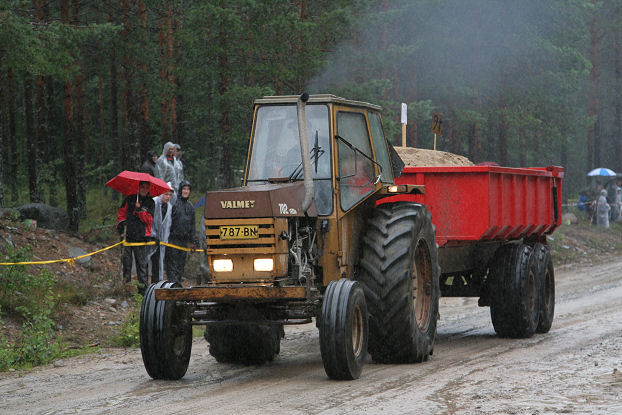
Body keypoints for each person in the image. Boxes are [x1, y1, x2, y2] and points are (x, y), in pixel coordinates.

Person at [117, 181, 155, 293]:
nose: (144, 189)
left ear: (149, 189)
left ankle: (143, 291)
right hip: (127, 237)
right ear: (138, 188)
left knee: (142, 266)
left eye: (146, 187)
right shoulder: (129, 199)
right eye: (142, 187)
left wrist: (139, 210)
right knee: (126, 264)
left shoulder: (150, 202)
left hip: (142, 238)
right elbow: (121, 215)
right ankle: (126, 288)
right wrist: (121, 229)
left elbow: (149, 220)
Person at [165, 180, 196, 284]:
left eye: (188, 189)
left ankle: (177, 284)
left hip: (184, 241)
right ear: (180, 190)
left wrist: (193, 242)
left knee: (180, 265)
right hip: (173, 240)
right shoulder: (174, 204)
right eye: (184, 189)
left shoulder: (190, 206)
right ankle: (172, 285)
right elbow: (168, 222)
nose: (186, 191)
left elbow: (192, 225)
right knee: (172, 265)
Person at [148, 184, 175, 283]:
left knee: (157, 264)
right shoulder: (154, 202)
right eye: (166, 194)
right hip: (150, 239)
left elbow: (167, 225)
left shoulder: (169, 207)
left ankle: (156, 284)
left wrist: (165, 239)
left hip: (161, 242)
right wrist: (152, 235)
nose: (168, 197)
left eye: (170, 195)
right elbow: (149, 221)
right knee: (145, 263)